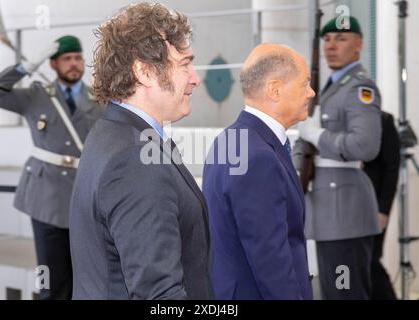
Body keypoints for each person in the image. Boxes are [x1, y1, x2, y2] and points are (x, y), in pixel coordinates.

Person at [69, 3, 212, 300]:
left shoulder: (111, 132)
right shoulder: (134, 159)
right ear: (145, 71)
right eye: (185, 64)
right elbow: (158, 295)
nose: (195, 78)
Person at [0, 35, 104, 299]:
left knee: (85, 276)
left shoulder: (98, 99)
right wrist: (25, 68)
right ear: (53, 64)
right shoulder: (35, 96)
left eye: (78, 58)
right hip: (45, 198)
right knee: (49, 276)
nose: (74, 64)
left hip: (84, 197)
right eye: (67, 59)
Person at [202, 43, 314, 300]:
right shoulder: (258, 157)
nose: (311, 92)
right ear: (275, 90)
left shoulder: (232, 139)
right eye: (304, 83)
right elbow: (270, 257)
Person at [296, 16, 382, 299]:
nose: (331, 45)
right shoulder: (332, 88)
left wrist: (317, 135)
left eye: (341, 39)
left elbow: (365, 146)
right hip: (328, 213)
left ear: (358, 45)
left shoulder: (360, 89)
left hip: (344, 213)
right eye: (327, 39)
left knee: (346, 295)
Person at [363, 111, 400, 300]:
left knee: (371, 261)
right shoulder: (346, 121)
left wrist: (383, 209)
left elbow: (392, 168)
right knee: (358, 264)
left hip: (376, 206)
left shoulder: (383, 120)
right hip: (351, 207)